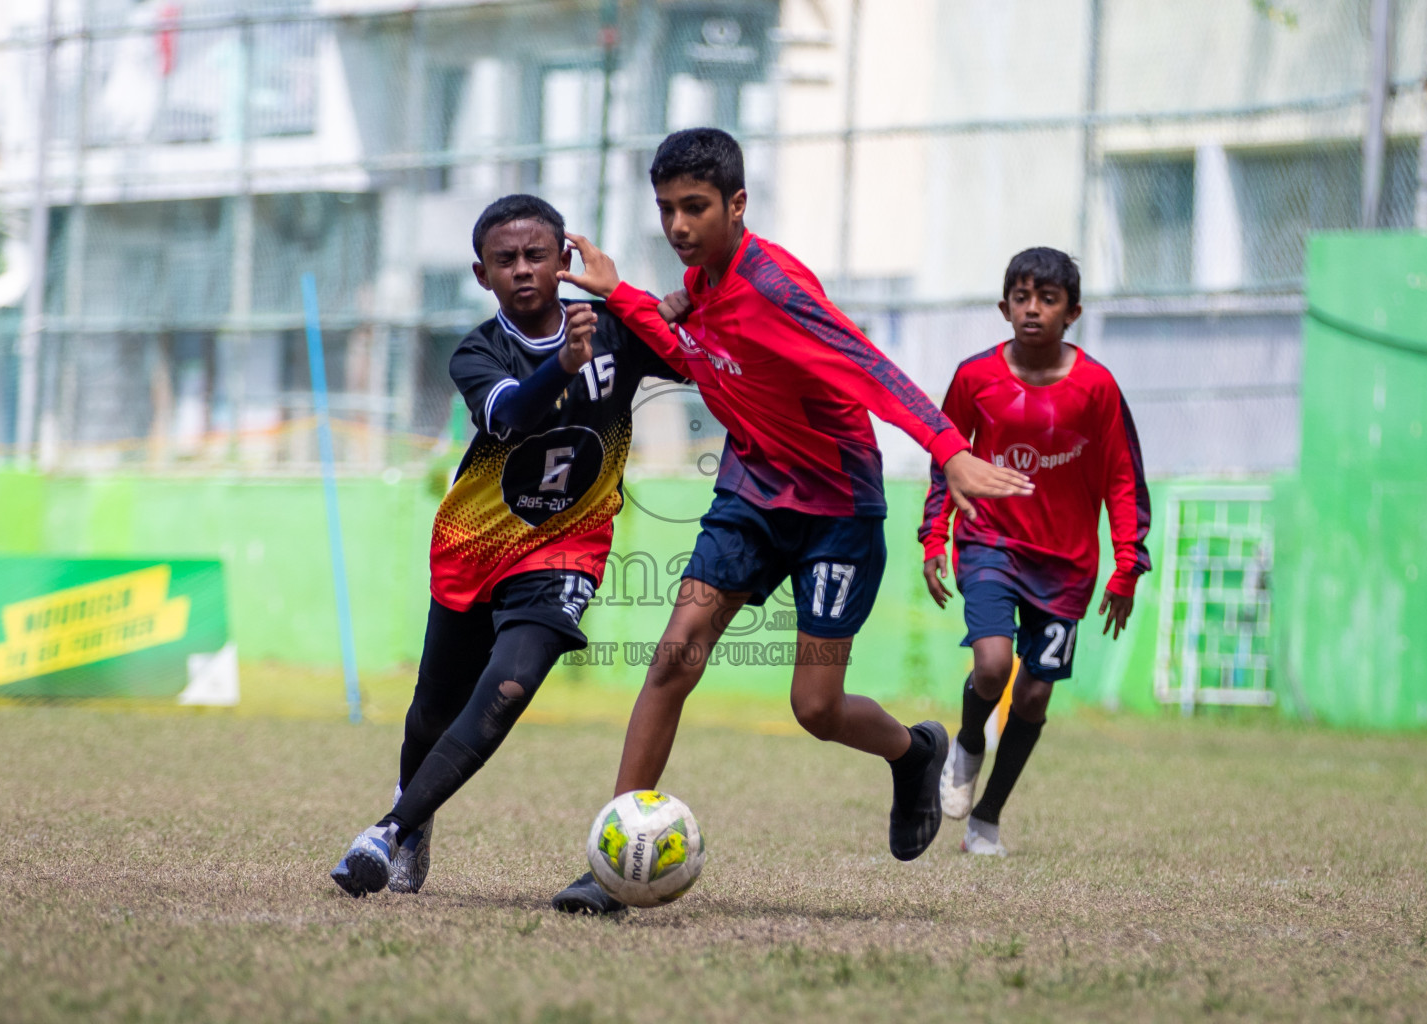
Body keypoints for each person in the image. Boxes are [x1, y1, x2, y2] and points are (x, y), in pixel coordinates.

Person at [548, 127, 1034, 914]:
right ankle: (613, 859)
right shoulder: (701, 279)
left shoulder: (776, 288)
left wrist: (947, 449)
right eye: (667, 208)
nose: (678, 225)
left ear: (737, 205)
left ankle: (914, 754)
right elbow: (687, 345)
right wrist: (618, 292)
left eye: (695, 208)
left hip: (836, 508)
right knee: (673, 659)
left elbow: (869, 366)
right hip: (750, 495)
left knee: (814, 708)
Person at [329, 194, 684, 896]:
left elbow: (698, 356)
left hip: (568, 547)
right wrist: (563, 366)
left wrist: (636, 302)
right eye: (505, 260)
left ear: (565, 260)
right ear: (481, 273)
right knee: (432, 711)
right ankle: (419, 811)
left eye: (536, 256)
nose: (523, 270)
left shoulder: (617, 329)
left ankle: (390, 830)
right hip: (476, 544)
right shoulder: (477, 350)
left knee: (510, 686)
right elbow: (513, 416)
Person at [919, 246, 1151, 857]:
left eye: (1047, 299)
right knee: (993, 666)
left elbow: (1124, 478)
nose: (1032, 309)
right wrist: (933, 535)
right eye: (1021, 297)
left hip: (1067, 565)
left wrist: (1129, 563)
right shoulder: (975, 378)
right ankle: (969, 742)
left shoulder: (1097, 388)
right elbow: (947, 458)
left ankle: (986, 821)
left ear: (1071, 311)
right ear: (1004, 306)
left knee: (1036, 694)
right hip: (991, 543)